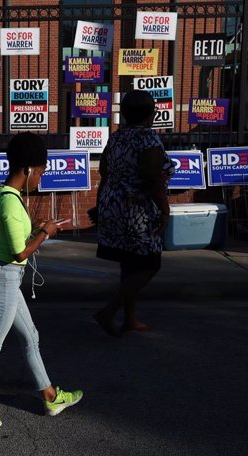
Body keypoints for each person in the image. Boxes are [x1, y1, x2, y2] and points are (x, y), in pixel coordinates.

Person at [0, 132, 83, 430]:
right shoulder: (12, 203)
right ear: (27, 169)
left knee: (31, 337)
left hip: (1, 277)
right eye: (40, 172)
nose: (40, 178)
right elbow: (19, 252)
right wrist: (45, 232)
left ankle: (51, 396)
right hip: (4, 279)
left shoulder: (3, 193)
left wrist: (36, 225)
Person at [93, 90, 175, 337]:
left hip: (112, 204)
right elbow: (153, 180)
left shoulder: (116, 138)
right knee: (150, 264)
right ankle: (109, 311)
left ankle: (130, 319)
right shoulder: (148, 140)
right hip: (135, 211)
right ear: (152, 114)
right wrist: (165, 210)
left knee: (129, 264)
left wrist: (100, 205)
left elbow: (105, 172)